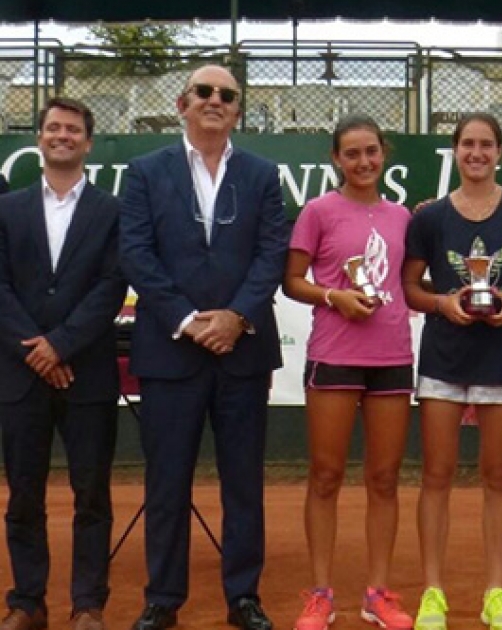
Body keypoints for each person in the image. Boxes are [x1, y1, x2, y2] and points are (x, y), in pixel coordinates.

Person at [119, 64, 289, 630]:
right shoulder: (144, 172)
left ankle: (243, 597)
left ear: (238, 109)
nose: (215, 100)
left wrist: (237, 318)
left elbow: (272, 253)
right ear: (181, 103)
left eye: (227, 95)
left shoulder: (263, 174)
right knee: (167, 482)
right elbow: (137, 254)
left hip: (242, 352)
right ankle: (162, 600)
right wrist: (191, 321)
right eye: (204, 92)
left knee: (243, 481)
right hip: (172, 352)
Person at [403, 113, 502, 630]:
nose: (477, 153)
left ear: (500, 152)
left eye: (486, 144)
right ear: (455, 151)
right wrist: (443, 305)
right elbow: (410, 288)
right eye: (468, 144)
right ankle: (433, 594)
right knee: (437, 476)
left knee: (497, 478)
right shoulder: (430, 217)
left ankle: (496, 592)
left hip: (501, 354)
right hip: (445, 356)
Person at [283, 114, 414, 630]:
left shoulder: (403, 217)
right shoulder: (317, 211)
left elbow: (410, 282)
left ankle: (377, 594)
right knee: (326, 475)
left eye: (372, 152)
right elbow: (293, 280)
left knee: (384, 478)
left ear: (384, 154)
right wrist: (334, 295)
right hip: (334, 353)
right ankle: (319, 595)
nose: (363, 162)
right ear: (337, 159)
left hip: (392, 357)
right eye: (352, 153)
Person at [0, 97, 126, 630]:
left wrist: (63, 345)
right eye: (53, 128)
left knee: (91, 494)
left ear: (88, 142)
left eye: (73, 129)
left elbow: (111, 286)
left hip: (87, 374)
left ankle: (87, 605)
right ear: (40, 138)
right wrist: (37, 349)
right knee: (23, 493)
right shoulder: (7, 209)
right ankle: (28, 602)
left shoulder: (113, 212)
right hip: (20, 375)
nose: (62, 136)